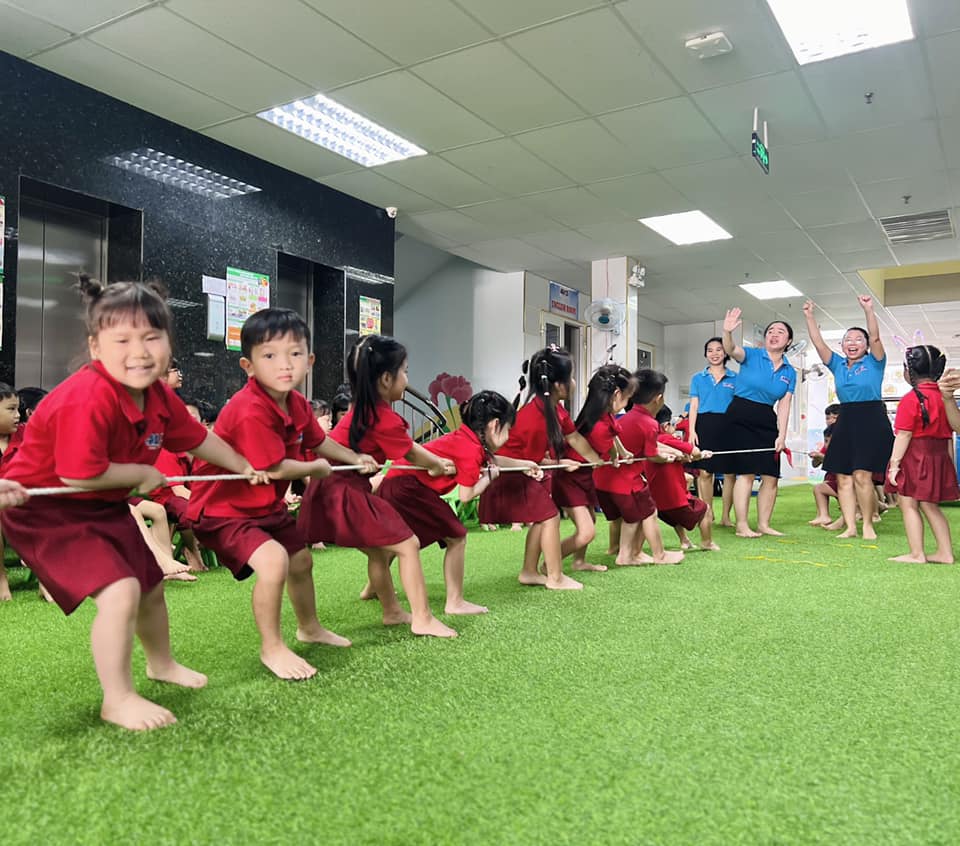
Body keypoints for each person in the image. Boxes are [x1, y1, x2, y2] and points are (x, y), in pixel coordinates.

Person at [0, 275, 266, 730]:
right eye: (121, 340)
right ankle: (117, 698)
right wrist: (140, 474)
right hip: (49, 510)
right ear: (95, 347)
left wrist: (241, 464)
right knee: (121, 592)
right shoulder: (87, 397)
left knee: (149, 584)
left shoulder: (158, 395)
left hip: (101, 502)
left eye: (151, 337)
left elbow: (196, 438)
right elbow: (78, 474)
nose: (139, 351)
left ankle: (161, 663)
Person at [188, 309, 381, 679]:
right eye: (270, 355)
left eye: (294, 353)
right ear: (248, 366)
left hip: (263, 506)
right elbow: (275, 468)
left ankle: (309, 628)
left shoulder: (296, 403)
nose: (285, 364)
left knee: (301, 561)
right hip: (222, 509)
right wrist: (315, 469)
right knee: (275, 561)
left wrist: (354, 458)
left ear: (310, 360)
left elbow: (318, 441)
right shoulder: (249, 409)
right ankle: (272, 647)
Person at [298, 334, 458, 637]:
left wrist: (436, 462)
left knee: (379, 552)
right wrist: (437, 464)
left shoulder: (365, 410)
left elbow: (407, 448)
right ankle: (422, 618)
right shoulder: (380, 417)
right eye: (405, 371)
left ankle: (392, 611)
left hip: (334, 489)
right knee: (407, 545)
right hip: (342, 490)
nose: (407, 378)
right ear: (386, 379)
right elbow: (411, 452)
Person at [378, 390, 518, 615]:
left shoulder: (466, 439)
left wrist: (527, 464)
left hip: (395, 485)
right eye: (508, 429)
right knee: (457, 536)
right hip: (408, 488)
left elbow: (495, 461)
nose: (509, 436)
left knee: (399, 540)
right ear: (494, 425)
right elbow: (466, 495)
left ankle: (375, 587)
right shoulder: (471, 449)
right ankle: (455, 602)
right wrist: (488, 478)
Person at [479, 347, 602, 590]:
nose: (574, 382)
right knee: (549, 516)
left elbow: (574, 438)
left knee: (542, 517)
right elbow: (525, 459)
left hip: (524, 468)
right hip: (509, 471)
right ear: (558, 385)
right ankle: (555, 577)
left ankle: (529, 571)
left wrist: (594, 460)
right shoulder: (535, 418)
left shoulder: (555, 409)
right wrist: (557, 464)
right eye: (571, 376)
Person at [804, 297, 893, 540]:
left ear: (866, 345)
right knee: (843, 476)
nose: (853, 343)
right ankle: (851, 527)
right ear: (842, 345)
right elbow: (818, 343)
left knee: (862, 475)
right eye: (848, 340)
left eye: (858, 339)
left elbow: (876, 337)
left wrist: (869, 310)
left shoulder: (875, 362)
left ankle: (867, 526)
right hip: (846, 419)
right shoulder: (838, 365)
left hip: (871, 419)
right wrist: (810, 316)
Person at [596, 370, 685, 566]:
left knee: (632, 517)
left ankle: (630, 553)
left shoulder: (623, 418)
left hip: (604, 479)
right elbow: (652, 454)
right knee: (649, 513)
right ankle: (656, 555)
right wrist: (667, 458)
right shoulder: (649, 423)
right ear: (658, 398)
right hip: (627, 481)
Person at [721, 309, 796, 537]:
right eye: (770, 331)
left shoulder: (790, 371)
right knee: (746, 473)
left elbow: (784, 405)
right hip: (740, 414)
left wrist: (782, 435)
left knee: (771, 475)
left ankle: (764, 524)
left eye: (780, 332)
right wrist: (727, 331)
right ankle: (742, 525)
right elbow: (731, 349)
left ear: (788, 341)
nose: (774, 334)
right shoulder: (752, 355)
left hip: (766, 418)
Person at [559, 364, 636, 572]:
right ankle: (549, 563)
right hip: (570, 479)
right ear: (616, 394)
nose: (628, 403)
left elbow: (613, 435)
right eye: (627, 398)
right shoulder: (598, 426)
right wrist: (611, 457)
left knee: (591, 520)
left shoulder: (602, 415)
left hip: (583, 477)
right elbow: (607, 437)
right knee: (586, 532)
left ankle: (579, 562)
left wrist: (621, 453)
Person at [886, 345, 959, 564]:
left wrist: (894, 465)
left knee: (908, 503)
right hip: (939, 455)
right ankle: (945, 552)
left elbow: (904, 435)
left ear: (909, 371)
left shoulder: (911, 399)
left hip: (916, 457)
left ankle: (916, 553)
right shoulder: (944, 396)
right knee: (930, 505)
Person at [651, 406, 717, 551]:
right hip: (674, 499)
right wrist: (701, 454)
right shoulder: (666, 438)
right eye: (673, 423)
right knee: (705, 509)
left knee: (675, 517)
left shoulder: (649, 442)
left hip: (656, 503)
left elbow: (675, 459)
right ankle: (707, 543)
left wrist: (689, 457)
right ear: (666, 426)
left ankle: (684, 540)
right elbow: (695, 451)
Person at [688, 337, 736, 527]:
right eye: (710, 350)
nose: (714, 353)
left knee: (730, 474)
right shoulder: (697, 378)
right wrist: (692, 431)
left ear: (725, 353)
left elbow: (738, 406)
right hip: (704, 425)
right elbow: (694, 406)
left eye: (718, 349)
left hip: (728, 426)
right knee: (705, 473)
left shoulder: (735, 378)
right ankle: (707, 513)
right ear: (705, 353)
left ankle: (726, 516)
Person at [0, 383, 22, 601]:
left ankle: (46, 581)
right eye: (11, 409)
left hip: (26, 502)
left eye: (18, 408)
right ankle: (1, 578)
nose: (18, 415)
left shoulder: (29, 435)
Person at [808, 425, 839, 526]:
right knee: (821, 487)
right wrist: (816, 457)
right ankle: (821, 515)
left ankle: (824, 516)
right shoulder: (826, 449)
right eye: (825, 441)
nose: (826, 444)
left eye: (829, 441)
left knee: (819, 488)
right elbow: (814, 465)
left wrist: (821, 456)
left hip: (843, 484)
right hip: (833, 480)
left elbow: (837, 463)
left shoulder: (843, 450)